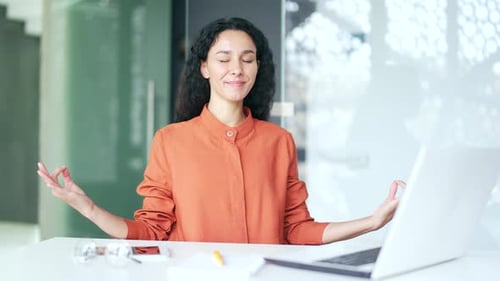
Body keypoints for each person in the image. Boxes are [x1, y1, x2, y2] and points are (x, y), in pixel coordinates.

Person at [37, 17, 405, 245]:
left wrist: (371, 223)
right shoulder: (171, 141)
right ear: (204, 68)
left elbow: (297, 230)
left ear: (258, 68)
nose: (237, 69)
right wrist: (87, 208)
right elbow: (151, 233)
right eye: (224, 58)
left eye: (248, 59)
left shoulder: (279, 142)